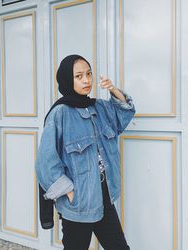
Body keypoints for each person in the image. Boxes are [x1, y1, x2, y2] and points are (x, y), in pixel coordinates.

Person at [35, 54, 135, 250]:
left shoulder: (99, 107)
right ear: (67, 79)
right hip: (78, 203)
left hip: (104, 198)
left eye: (89, 74)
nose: (87, 80)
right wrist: (69, 191)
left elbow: (123, 114)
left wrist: (113, 89)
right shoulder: (60, 113)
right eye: (79, 76)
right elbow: (45, 161)